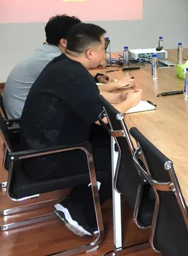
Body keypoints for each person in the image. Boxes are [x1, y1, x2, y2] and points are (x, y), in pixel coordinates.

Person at [20, 23, 142, 237]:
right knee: (121, 158)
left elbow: (89, 98)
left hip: (37, 147)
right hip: (48, 159)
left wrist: (119, 97)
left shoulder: (63, 65)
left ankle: (82, 199)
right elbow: (105, 119)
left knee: (110, 143)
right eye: (103, 48)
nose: (105, 53)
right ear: (90, 53)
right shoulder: (74, 74)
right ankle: (76, 208)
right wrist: (130, 102)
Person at [3, 15, 81, 120]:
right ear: (64, 42)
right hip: (25, 122)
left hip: (26, 113)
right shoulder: (52, 60)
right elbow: (79, 90)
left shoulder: (46, 53)